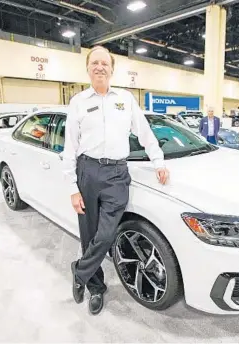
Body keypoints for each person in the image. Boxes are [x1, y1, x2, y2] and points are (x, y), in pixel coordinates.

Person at [63, 45, 170, 315]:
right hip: (87, 172)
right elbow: (70, 147)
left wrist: (158, 160)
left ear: (112, 69)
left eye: (104, 63)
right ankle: (96, 287)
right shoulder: (78, 102)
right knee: (89, 235)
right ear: (88, 68)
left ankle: (80, 271)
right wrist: (72, 187)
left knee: (107, 233)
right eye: (94, 63)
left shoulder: (125, 99)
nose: (99, 67)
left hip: (117, 174)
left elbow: (144, 132)